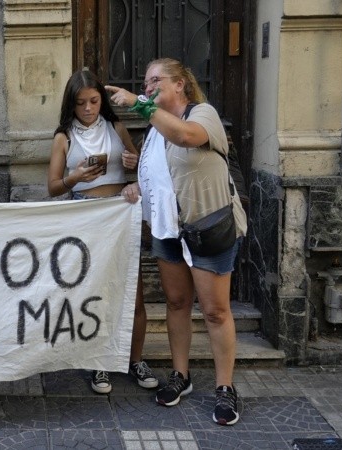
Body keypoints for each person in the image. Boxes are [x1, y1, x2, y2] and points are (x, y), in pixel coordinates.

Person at [106, 58, 247, 426]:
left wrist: (138, 102)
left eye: (156, 80)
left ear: (180, 84)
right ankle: (180, 376)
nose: (148, 86)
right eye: (145, 82)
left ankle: (225, 388)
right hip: (167, 232)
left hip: (207, 227)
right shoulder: (153, 131)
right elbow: (158, 176)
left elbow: (185, 137)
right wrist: (137, 183)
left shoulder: (203, 115)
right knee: (177, 303)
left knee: (215, 311)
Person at [47, 68, 158, 395]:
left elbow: (141, 170)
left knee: (133, 291)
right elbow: (52, 187)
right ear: (72, 104)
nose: (88, 109)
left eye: (94, 101)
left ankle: (135, 359)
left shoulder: (116, 127)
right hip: (86, 217)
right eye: (80, 103)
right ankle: (98, 362)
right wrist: (75, 178)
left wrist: (133, 162)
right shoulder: (63, 137)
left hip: (120, 213)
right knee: (96, 292)